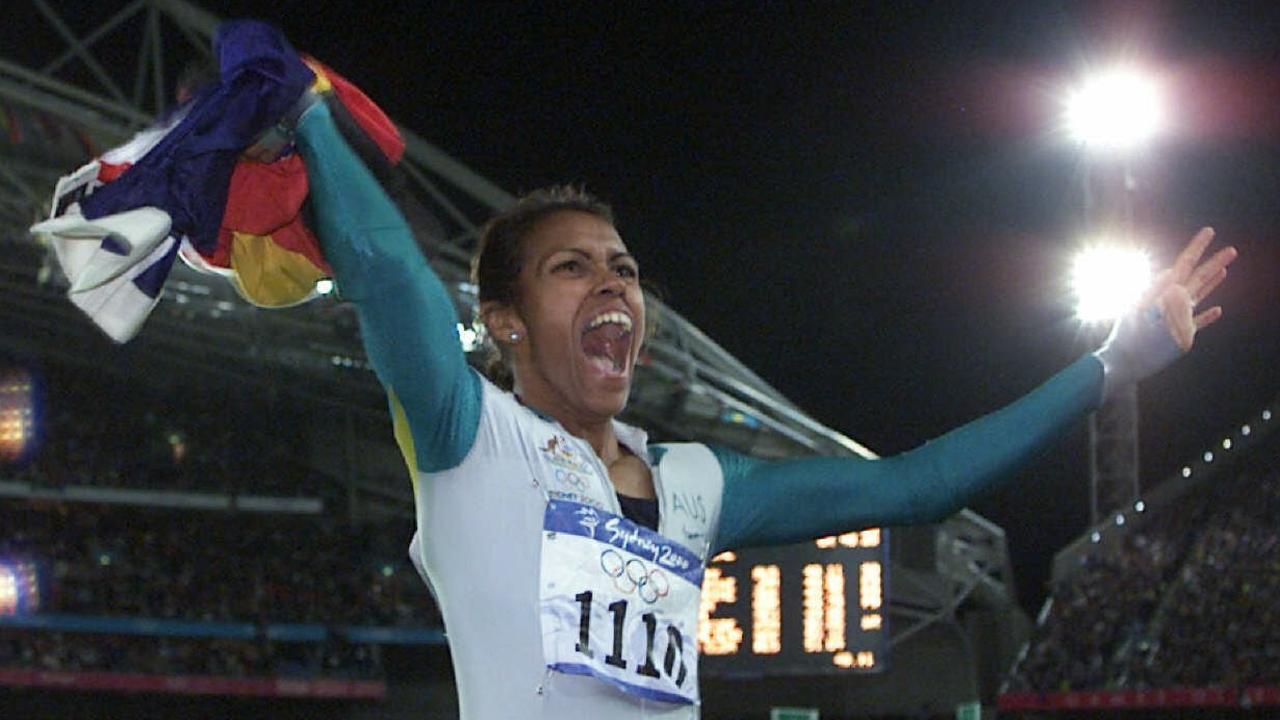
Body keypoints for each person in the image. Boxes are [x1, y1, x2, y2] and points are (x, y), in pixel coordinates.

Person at [283, 78, 1234, 718]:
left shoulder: (693, 484)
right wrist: (311, 116)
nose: (614, 286)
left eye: (623, 269)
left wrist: (1112, 366)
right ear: (505, 321)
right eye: (572, 269)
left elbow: (916, 487)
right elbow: (384, 274)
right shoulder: (468, 440)